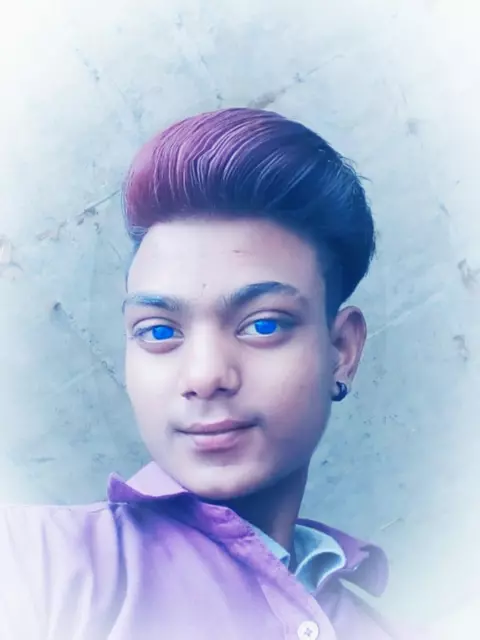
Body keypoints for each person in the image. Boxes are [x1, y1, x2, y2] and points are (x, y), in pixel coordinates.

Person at [0, 107, 407, 639]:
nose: (205, 375)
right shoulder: (41, 566)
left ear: (343, 350)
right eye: (158, 331)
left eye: (263, 325)